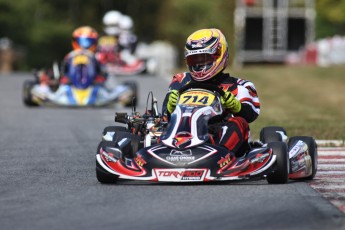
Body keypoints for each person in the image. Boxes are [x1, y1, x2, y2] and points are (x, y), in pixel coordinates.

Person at [162, 28, 260, 157]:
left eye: (204, 59)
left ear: (219, 54)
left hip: (218, 136)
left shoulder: (239, 85)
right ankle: (162, 152)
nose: (198, 65)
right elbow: (164, 116)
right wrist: (169, 107)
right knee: (156, 127)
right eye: (194, 60)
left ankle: (222, 156)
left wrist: (237, 107)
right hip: (182, 132)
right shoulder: (181, 81)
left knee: (239, 122)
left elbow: (251, 115)